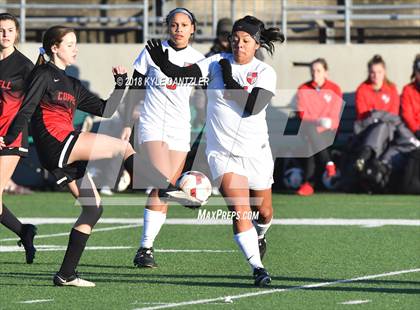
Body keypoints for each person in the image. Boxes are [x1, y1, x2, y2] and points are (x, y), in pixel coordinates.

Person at [144, 15, 284, 286]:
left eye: (245, 41)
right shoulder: (215, 62)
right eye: (234, 39)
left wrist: (230, 78)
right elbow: (182, 75)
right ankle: (257, 267)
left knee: (264, 211)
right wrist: (164, 64)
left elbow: (252, 106)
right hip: (222, 153)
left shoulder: (265, 72)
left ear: (256, 44)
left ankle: (261, 234)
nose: (238, 45)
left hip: (256, 152)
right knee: (240, 210)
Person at [0, 25, 136, 287]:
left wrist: (121, 85)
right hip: (58, 146)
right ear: (55, 48)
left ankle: (66, 274)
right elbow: (25, 110)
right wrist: (9, 135)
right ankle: (163, 186)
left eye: (76, 44)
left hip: (66, 152)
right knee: (123, 147)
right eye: (70, 44)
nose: (76, 49)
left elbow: (106, 110)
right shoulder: (42, 74)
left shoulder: (72, 84)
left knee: (93, 209)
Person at [122, 8, 205, 269]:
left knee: (164, 189)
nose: (178, 29)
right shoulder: (151, 51)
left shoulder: (199, 59)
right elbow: (135, 87)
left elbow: (200, 91)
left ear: (192, 29)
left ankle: (145, 249)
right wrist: (127, 123)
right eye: (174, 24)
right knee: (162, 182)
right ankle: (146, 246)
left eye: (184, 25)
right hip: (152, 123)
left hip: (180, 128)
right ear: (167, 27)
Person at [0, 13, 37, 264]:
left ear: (17, 34)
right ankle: (24, 231)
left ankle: (24, 231)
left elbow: (30, 107)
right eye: (0, 30)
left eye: (9, 30)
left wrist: (9, 134)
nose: (4, 34)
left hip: (10, 138)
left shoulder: (25, 66)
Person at [296, 58, 343, 196]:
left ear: (325, 73)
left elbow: (335, 116)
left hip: (329, 132)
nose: (314, 73)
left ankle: (308, 184)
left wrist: (324, 125)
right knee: (310, 132)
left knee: (311, 140)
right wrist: (318, 122)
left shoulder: (334, 89)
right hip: (310, 130)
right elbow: (302, 115)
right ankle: (328, 163)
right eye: (312, 71)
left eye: (318, 70)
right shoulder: (303, 89)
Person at [401, 54, 420, 139]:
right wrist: (416, 130)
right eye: (419, 71)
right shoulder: (408, 90)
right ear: (415, 72)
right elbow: (407, 115)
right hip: (414, 132)